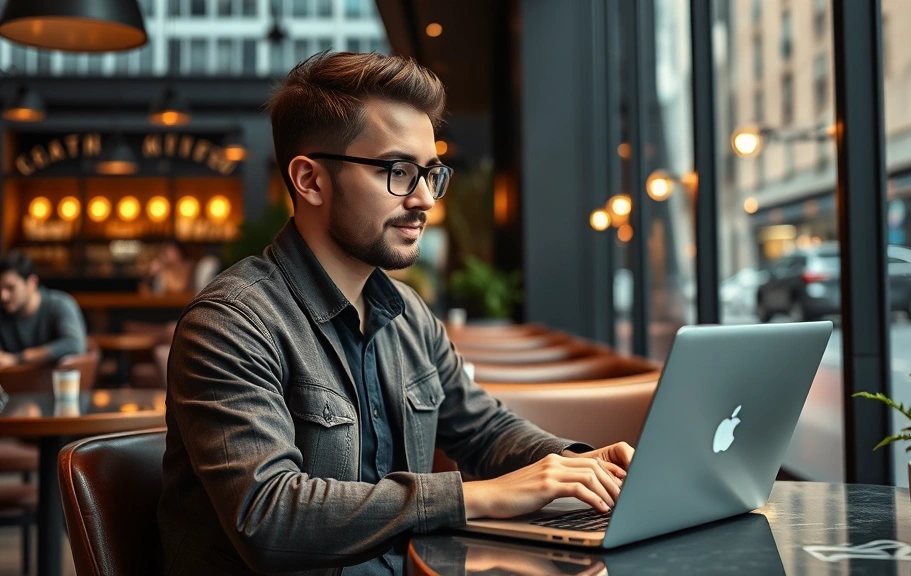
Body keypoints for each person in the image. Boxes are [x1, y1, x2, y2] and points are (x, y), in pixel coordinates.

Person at [159, 51, 634, 575]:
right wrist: (477, 496)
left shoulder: (409, 313)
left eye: (431, 173)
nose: (426, 198)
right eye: (399, 171)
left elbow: (484, 431)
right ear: (310, 180)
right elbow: (269, 518)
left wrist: (576, 465)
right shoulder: (231, 322)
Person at [0, 251, 86, 369]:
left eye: (11, 288)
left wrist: (18, 358)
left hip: (53, 385)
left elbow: (74, 345)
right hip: (11, 385)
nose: (3, 296)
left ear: (32, 283)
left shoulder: (59, 305)